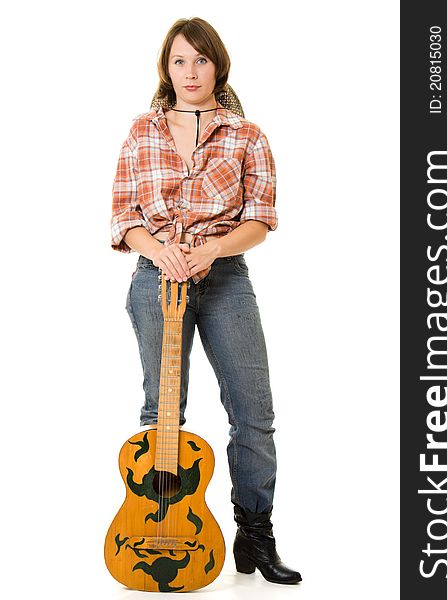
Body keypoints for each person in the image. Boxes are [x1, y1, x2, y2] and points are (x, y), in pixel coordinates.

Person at [110, 17, 301, 585]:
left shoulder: (247, 135)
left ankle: (256, 537)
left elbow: (260, 220)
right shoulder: (142, 130)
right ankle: (159, 525)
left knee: (254, 413)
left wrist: (212, 249)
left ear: (218, 65)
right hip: (155, 279)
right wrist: (161, 252)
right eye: (178, 61)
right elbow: (123, 216)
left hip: (224, 281)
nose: (189, 72)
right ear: (165, 70)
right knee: (162, 412)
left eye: (200, 60)